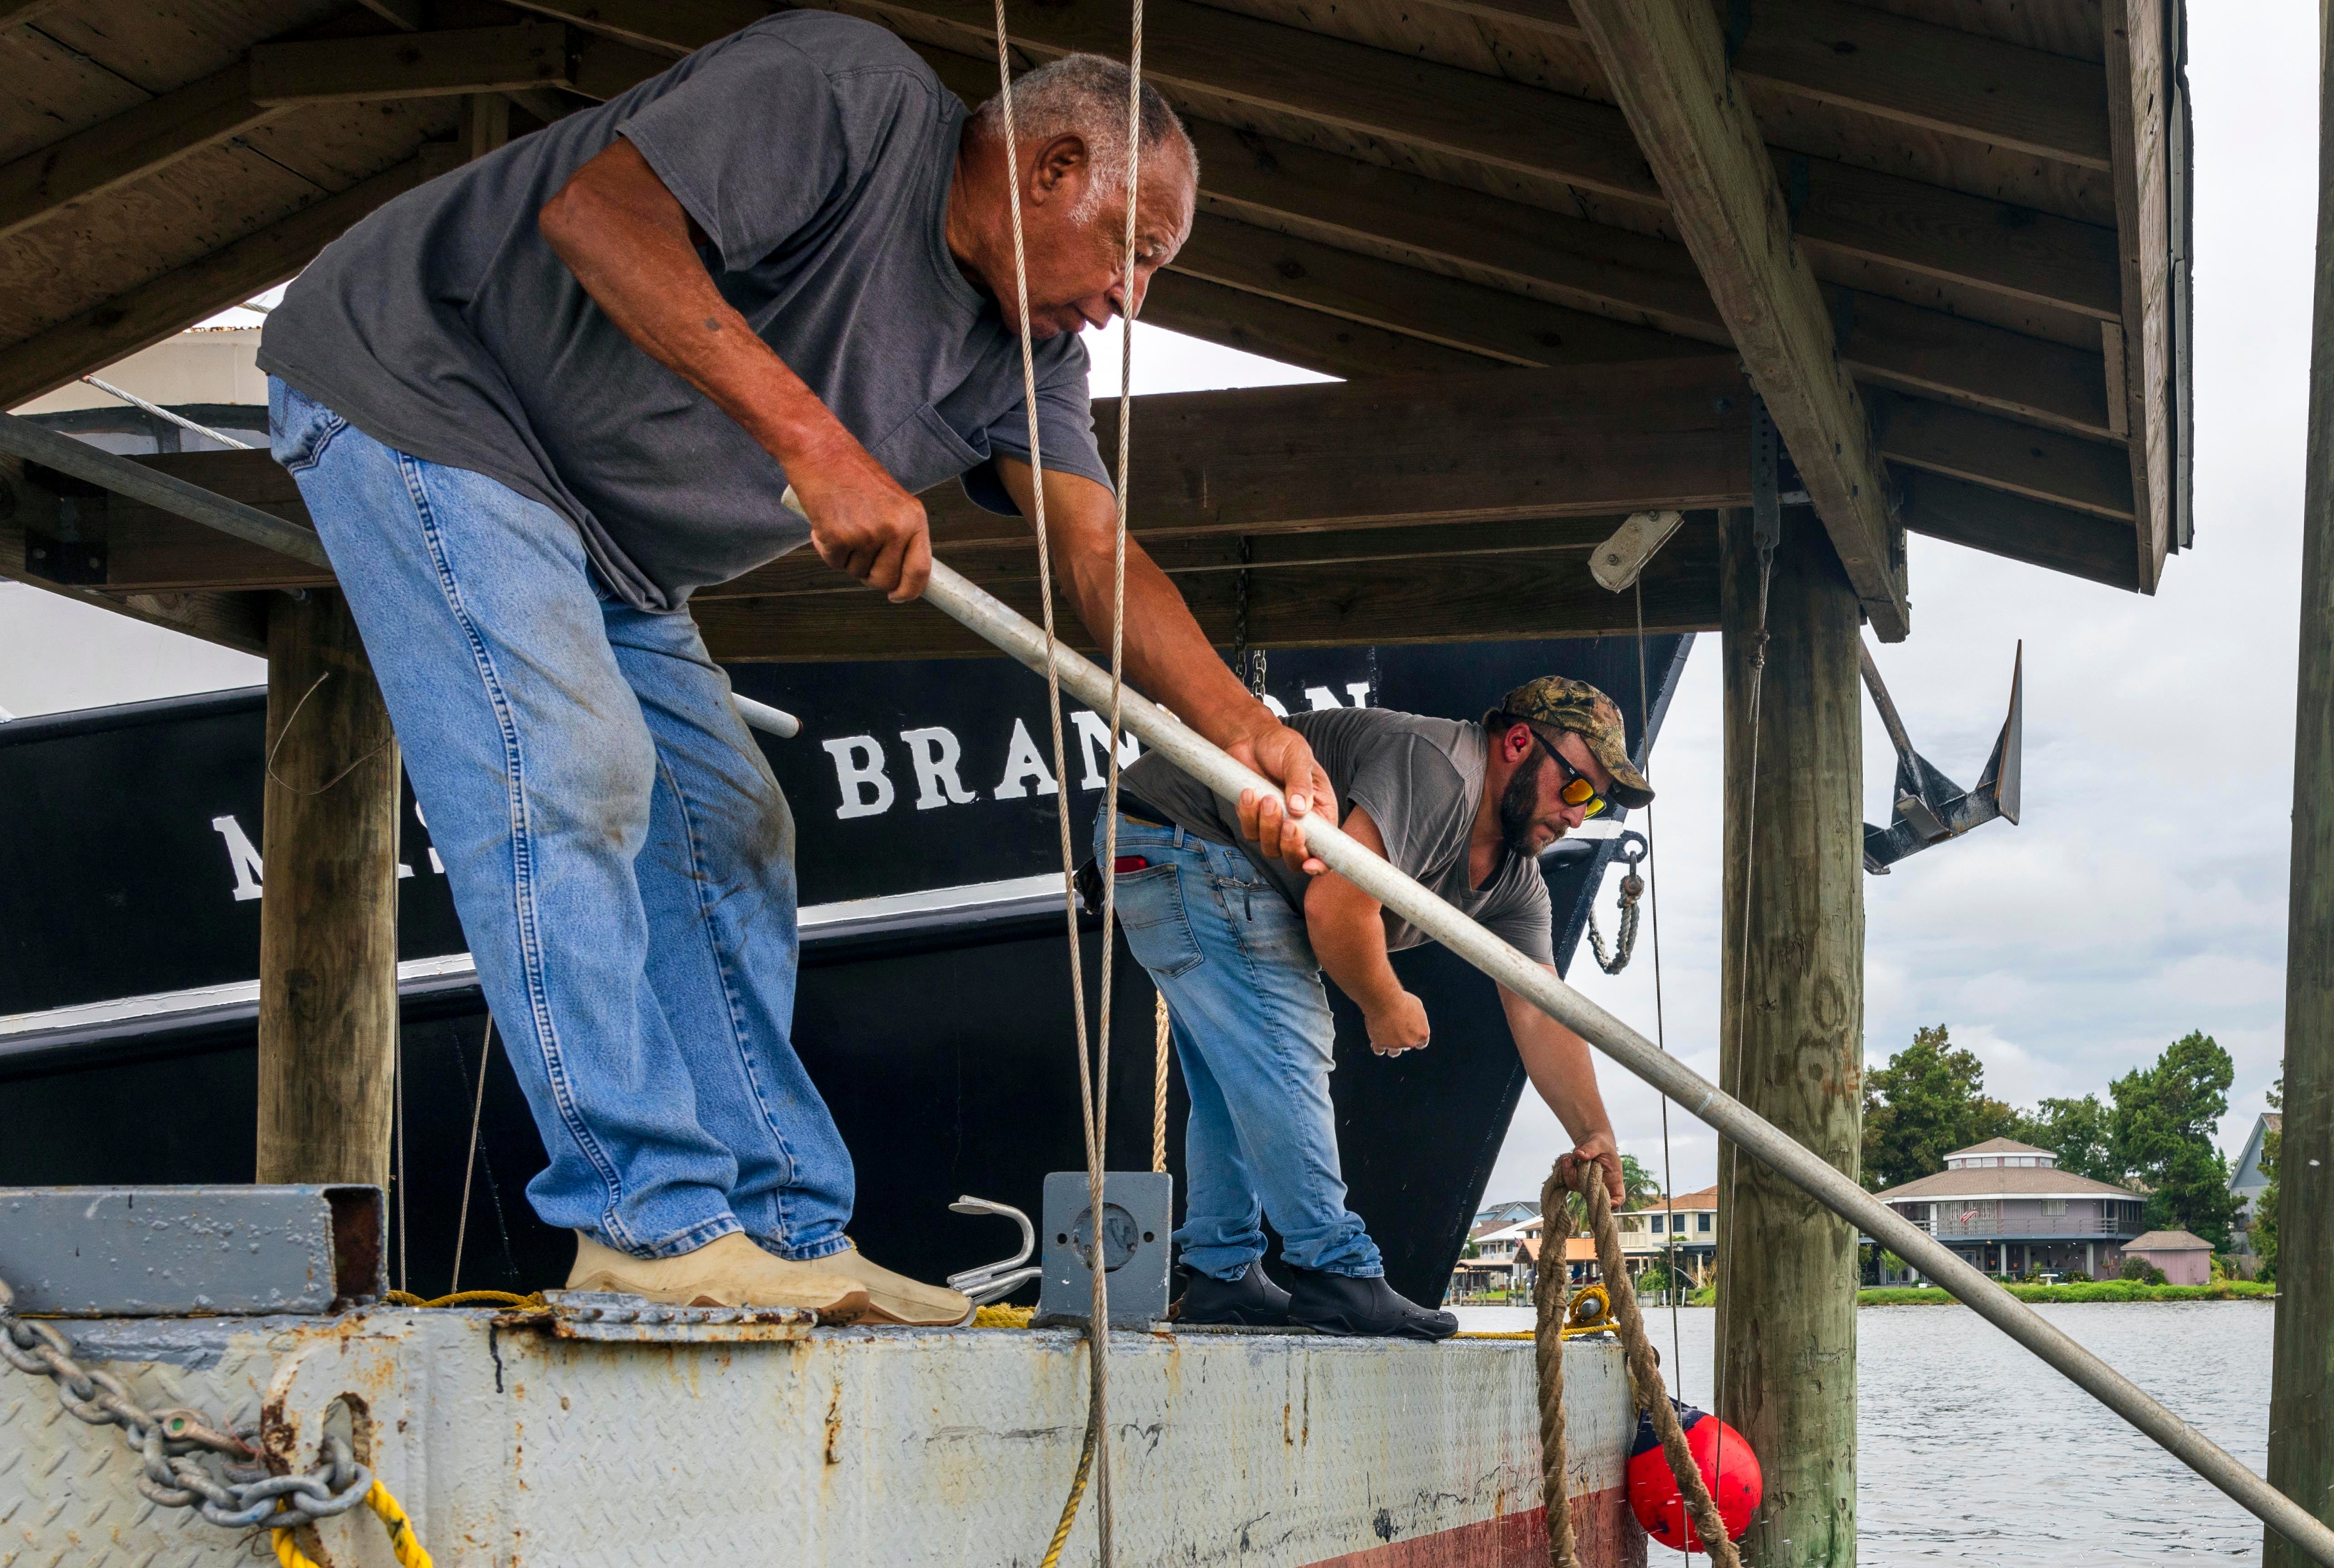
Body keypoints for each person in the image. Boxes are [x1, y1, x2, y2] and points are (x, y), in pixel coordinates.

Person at [254, 12, 1333, 1323]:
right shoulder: (848, 94)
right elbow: (602, 222)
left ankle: (779, 1235)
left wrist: (1244, 730)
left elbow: (1094, 556)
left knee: (732, 822)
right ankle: (641, 1224)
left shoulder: (1028, 358)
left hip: (610, 539)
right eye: (1134, 252)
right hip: (424, 389)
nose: (1128, 300)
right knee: (575, 773)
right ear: (1052, 166)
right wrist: (819, 446)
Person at [1112, 678, 1651, 1340]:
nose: (1579, 814)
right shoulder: (1441, 772)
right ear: (1517, 743)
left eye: (1594, 801)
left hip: (1174, 844)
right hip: (1184, 830)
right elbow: (1338, 904)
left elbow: (1541, 1010)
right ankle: (1334, 1269)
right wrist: (1383, 1001)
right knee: (1289, 1040)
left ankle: (1223, 1276)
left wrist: (1595, 1134)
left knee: (1235, 1079)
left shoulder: (1515, 881)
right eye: (1576, 787)